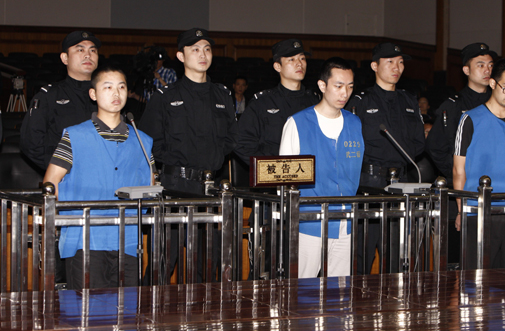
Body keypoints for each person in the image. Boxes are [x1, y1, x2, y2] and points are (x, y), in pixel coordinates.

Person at [139, 28, 237, 281]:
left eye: (207, 49)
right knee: (162, 262)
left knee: (207, 265)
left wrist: (210, 159)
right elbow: (148, 142)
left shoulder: (222, 95)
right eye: (195, 49)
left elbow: (230, 139)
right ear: (181, 56)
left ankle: (206, 319)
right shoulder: (165, 97)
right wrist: (175, 163)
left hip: (209, 188)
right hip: (174, 187)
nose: (202, 54)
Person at [43, 66, 154, 289]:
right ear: (93, 94)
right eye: (108, 87)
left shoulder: (142, 140)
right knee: (87, 312)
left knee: (128, 311)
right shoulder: (74, 136)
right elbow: (50, 184)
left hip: (127, 240)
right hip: (85, 238)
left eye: (121, 87)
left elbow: (150, 187)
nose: (116, 93)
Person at [279, 57, 363, 278]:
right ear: (322, 85)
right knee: (302, 291)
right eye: (338, 86)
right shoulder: (297, 123)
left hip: (345, 222)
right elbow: (284, 180)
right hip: (309, 223)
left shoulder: (355, 123)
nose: (345, 93)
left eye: (350, 87)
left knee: (339, 292)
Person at [347, 42, 424, 274]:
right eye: (390, 62)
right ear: (374, 66)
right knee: (363, 253)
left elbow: (419, 142)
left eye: (400, 63)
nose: (397, 67)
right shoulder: (360, 101)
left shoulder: (409, 100)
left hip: (400, 183)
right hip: (368, 183)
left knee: (397, 254)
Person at [453, 58, 505, 269]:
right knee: (475, 282)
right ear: (492, 83)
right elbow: (458, 169)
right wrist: (461, 209)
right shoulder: (471, 119)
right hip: (479, 212)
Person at [20, 30, 101, 170]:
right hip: (65, 180)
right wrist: (60, 170)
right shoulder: (48, 96)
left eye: (93, 50)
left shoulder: (108, 95)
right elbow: (31, 145)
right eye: (80, 49)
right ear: (65, 58)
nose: (88, 55)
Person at [235, 38, 319, 165]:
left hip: (310, 177)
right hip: (275, 177)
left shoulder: (315, 101)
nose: (299, 64)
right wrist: (268, 167)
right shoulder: (262, 102)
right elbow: (241, 142)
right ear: (277, 66)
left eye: (302, 58)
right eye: (291, 59)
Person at [426, 42, 497, 182]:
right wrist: (456, 172)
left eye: (490, 65)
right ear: (466, 70)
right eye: (481, 65)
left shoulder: (499, 103)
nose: (487, 70)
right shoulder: (454, 105)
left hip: (495, 179)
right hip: (463, 180)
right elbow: (435, 147)